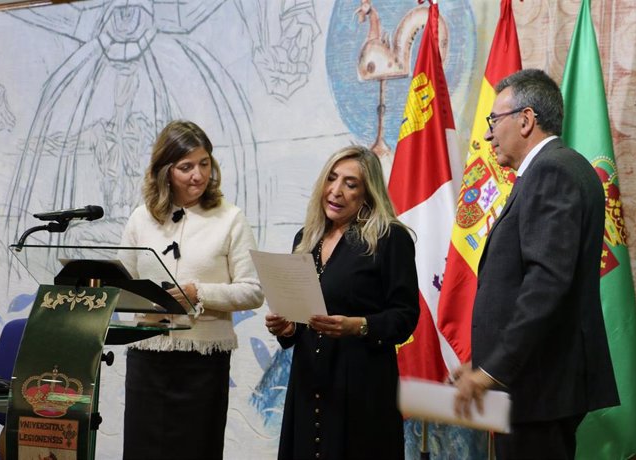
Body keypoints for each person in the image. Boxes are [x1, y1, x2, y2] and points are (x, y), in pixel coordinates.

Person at [451, 69, 620, 459]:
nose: (489, 134)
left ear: (526, 120)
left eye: (495, 121)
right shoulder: (561, 168)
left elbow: (547, 283)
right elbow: (520, 284)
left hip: (539, 387)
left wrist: (493, 372)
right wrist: (484, 360)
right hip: (534, 382)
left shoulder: (552, 171)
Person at [119, 120, 264, 460]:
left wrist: (199, 293)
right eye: (186, 167)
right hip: (147, 360)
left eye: (204, 163)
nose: (198, 175)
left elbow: (253, 291)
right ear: (165, 171)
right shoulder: (141, 218)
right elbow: (121, 282)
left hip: (203, 364)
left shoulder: (231, 218)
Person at [265, 145, 419, 460]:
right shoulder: (305, 239)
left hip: (363, 387)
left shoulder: (390, 239)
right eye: (331, 179)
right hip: (309, 383)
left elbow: (405, 316)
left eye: (350, 184)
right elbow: (300, 321)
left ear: (368, 194)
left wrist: (359, 325)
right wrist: (286, 327)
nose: (336, 191)